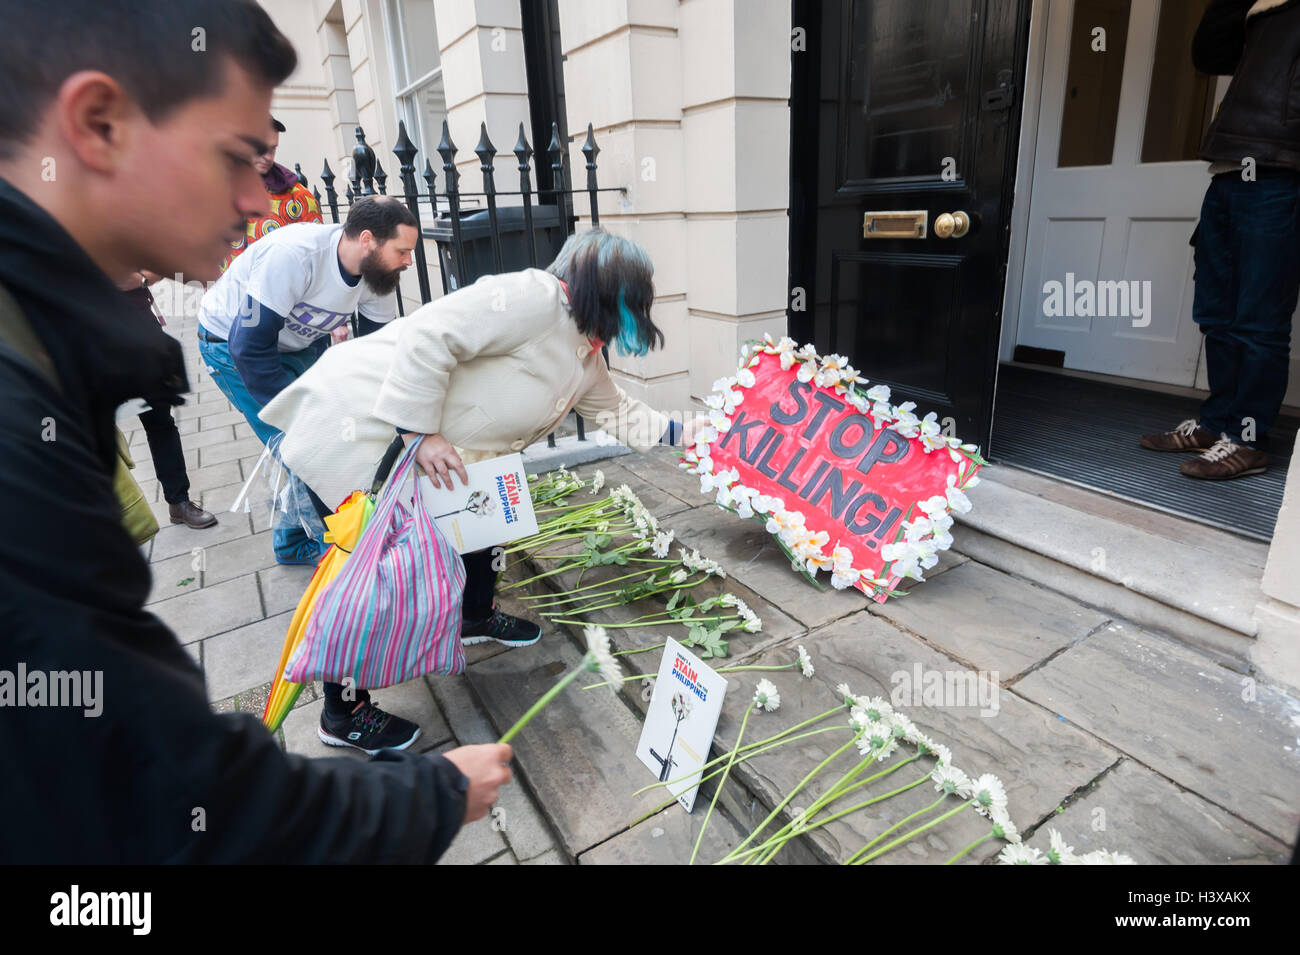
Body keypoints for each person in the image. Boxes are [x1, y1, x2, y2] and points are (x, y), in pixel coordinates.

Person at [0, 0, 510, 864]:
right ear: (98, 124)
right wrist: (432, 796)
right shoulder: (23, 418)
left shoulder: (45, 352)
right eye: (239, 159)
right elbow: (165, 789)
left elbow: (349, 342)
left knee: (310, 456)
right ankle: (331, 645)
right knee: (308, 462)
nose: (254, 200)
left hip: (279, 350)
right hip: (238, 350)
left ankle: (291, 526)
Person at [261, 228, 699, 748]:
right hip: (361, 430)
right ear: (604, 291)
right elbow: (430, 335)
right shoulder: (533, 299)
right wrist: (419, 430)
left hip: (450, 460)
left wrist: (687, 433)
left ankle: (474, 615)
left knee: (488, 522)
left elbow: (616, 409)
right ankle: (342, 713)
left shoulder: (583, 349)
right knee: (367, 577)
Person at [197, 197, 417, 566]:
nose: (409, 261)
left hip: (302, 339)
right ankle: (339, 546)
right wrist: (300, 422)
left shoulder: (381, 275)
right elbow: (248, 345)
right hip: (232, 345)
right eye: (403, 251)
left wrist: (401, 419)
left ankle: (293, 539)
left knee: (331, 434)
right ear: (367, 240)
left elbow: (381, 353)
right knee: (308, 445)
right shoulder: (293, 255)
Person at [1140, 0, 1300, 480]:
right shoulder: (1258, 8)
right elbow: (1209, 55)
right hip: (1229, 169)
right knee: (1215, 312)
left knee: (1259, 320)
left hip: (1283, 173)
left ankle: (1247, 440)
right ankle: (1216, 426)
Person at [121, 270, 218, 529]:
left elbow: (149, 268)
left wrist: (141, 277)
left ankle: (179, 502)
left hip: (139, 332)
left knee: (160, 421)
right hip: (83, 338)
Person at [220, 115, 323, 273]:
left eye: (273, 149)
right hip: (224, 295)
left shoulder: (298, 197)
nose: (268, 156)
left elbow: (318, 257)